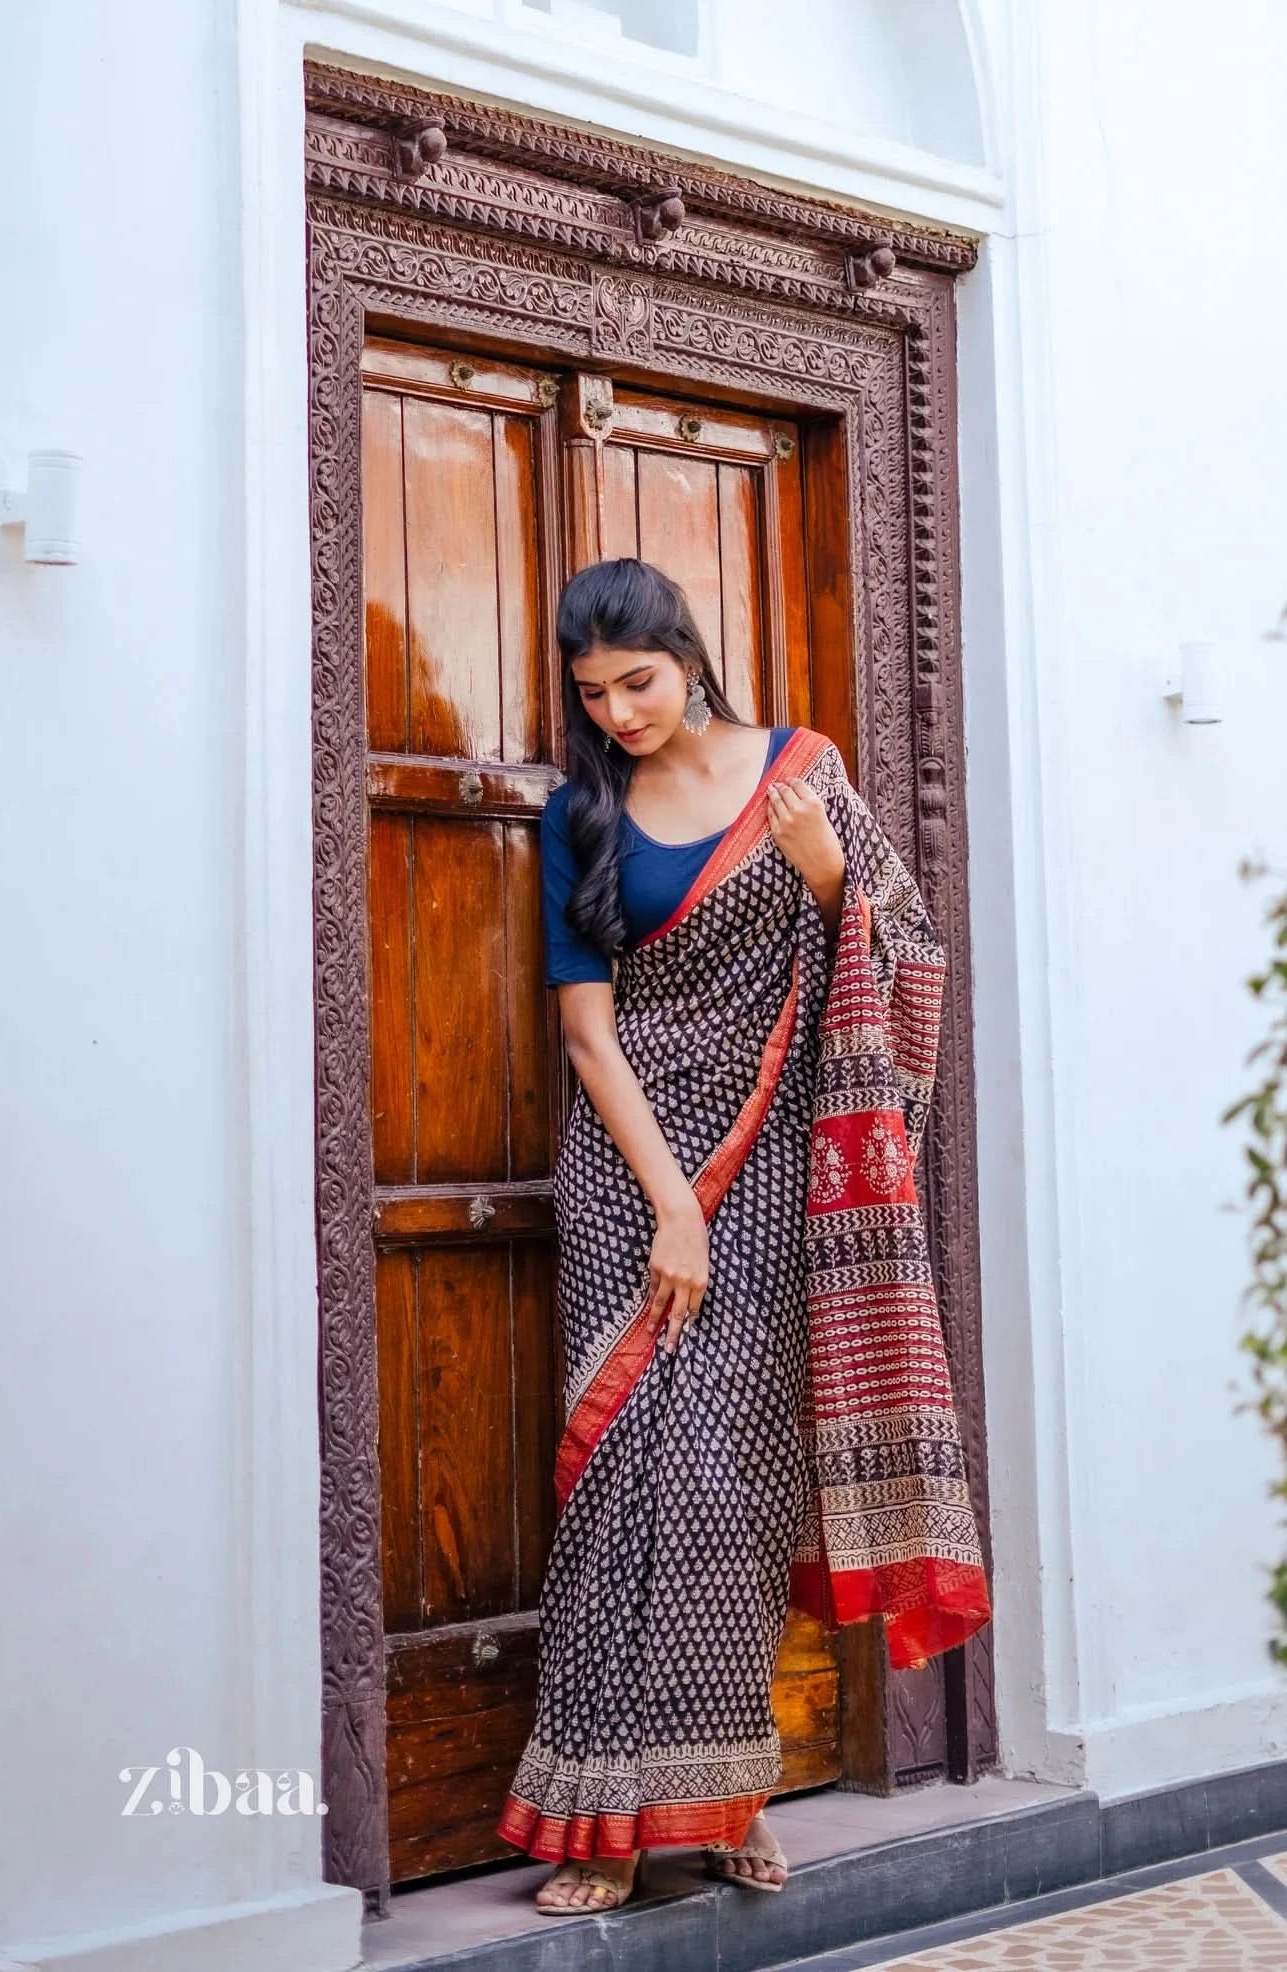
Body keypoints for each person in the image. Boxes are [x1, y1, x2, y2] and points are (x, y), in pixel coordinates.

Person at [496, 558, 990, 1915]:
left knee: (725, 1491)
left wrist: (830, 873)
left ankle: (724, 1798)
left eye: (637, 683)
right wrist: (666, 1205)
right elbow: (589, 1032)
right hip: (628, 1175)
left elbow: (915, 958)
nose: (619, 715)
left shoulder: (801, 773)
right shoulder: (581, 816)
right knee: (616, 1491)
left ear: (687, 655)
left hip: (773, 1174)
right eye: (593, 694)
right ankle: (596, 1823)